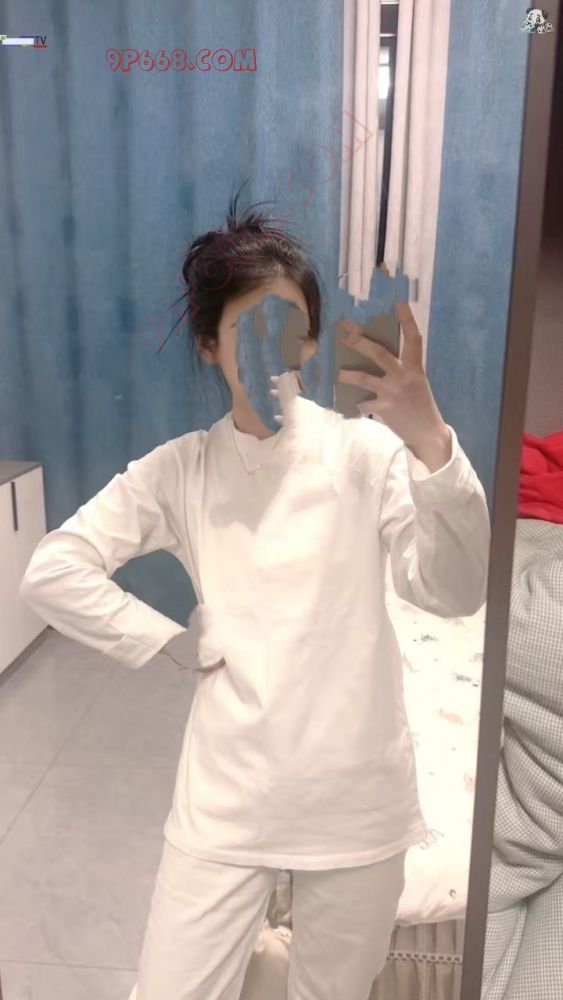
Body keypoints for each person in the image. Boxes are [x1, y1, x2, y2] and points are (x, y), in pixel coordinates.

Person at [19, 193, 491, 1000]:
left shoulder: (367, 453)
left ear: (310, 338)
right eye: (247, 328)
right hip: (227, 795)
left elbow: (452, 592)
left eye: (291, 326)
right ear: (209, 344)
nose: (273, 349)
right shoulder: (182, 468)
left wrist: (431, 444)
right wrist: (167, 640)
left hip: (355, 796)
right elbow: (53, 569)